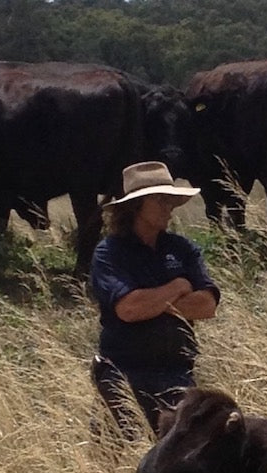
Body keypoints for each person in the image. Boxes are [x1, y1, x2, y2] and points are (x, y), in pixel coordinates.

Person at [89, 161, 220, 438]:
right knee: (109, 463)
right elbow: (128, 308)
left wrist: (155, 304)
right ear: (135, 206)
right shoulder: (109, 252)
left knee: (178, 465)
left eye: (171, 200)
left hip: (176, 373)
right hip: (122, 374)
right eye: (160, 200)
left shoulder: (182, 249)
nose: (168, 207)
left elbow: (207, 306)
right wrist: (178, 286)